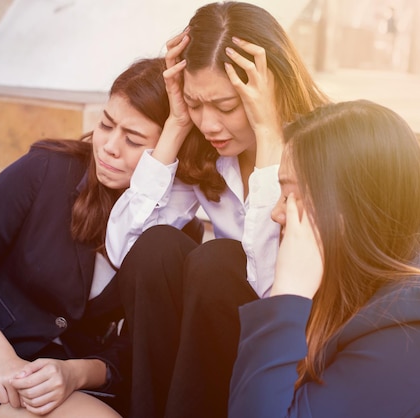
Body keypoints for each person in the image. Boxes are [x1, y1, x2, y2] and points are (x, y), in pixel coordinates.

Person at [0, 57, 205, 418]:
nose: (109, 147)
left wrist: (75, 373)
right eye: (106, 124)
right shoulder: (45, 170)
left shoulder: (175, 232)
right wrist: (3, 359)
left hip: (70, 381)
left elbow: (138, 345)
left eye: (133, 140)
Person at [105, 2, 329, 417]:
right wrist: (175, 124)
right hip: (218, 336)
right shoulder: (205, 147)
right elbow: (127, 251)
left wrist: (267, 135)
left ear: (269, 89)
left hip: (300, 334)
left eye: (226, 107)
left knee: (219, 261)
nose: (208, 124)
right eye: (195, 103)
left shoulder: (320, 148)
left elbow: (269, 286)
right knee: (158, 247)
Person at [229, 100, 420, 417]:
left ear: (351, 204)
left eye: (290, 195)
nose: (276, 212)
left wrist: (289, 294)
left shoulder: (416, 325)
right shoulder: (358, 278)